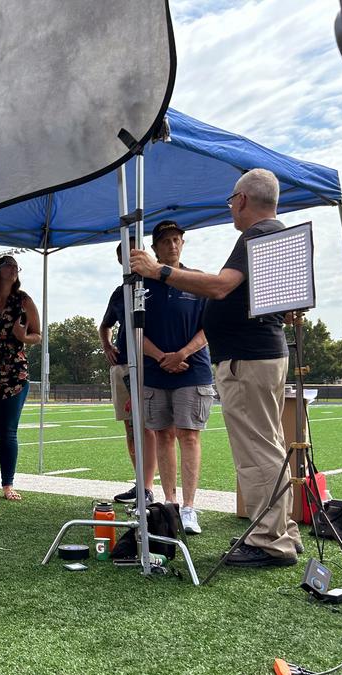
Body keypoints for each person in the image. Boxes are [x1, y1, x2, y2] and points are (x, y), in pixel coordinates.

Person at [130, 169, 302, 567]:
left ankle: (268, 541)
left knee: (257, 451)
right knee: (271, 446)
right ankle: (283, 530)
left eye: (231, 202)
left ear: (241, 199)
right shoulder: (275, 234)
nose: (231, 209)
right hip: (262, 354)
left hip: (248, 358)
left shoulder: (256, 235)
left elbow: (223, 286)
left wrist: (160, 272)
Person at [138, 220, 213, 535]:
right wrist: (161, 357)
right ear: (153, 248)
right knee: (163, 435)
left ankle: (189, 507)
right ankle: (169, 504)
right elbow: (133, 331)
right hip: (155, 370)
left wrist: (182, 354)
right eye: (165, 241)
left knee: (189, 435)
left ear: (183, 244)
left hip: (191, 369)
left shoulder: (196, 280)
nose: (172, 245)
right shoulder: (140, 285)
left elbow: (209, 328)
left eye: (177, 239)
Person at [100, 239, 159, 506]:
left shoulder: (156, 283)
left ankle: (148, 487)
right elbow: (105, 326)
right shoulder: (119, 291)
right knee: (130, 426)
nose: (130, 257)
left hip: (150, 365)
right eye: (124, 254)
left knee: (148, 427)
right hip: (123, 364)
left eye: (134, 250)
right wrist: (107, 346)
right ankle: (140, 483)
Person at [0, 255, 41, 502]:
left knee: (9, 431)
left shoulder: (23, 300)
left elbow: (38, 334)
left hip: (15, 372)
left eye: (16, 267)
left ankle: (8, 485)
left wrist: (23, 336)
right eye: (8, 265)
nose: (13, 269)